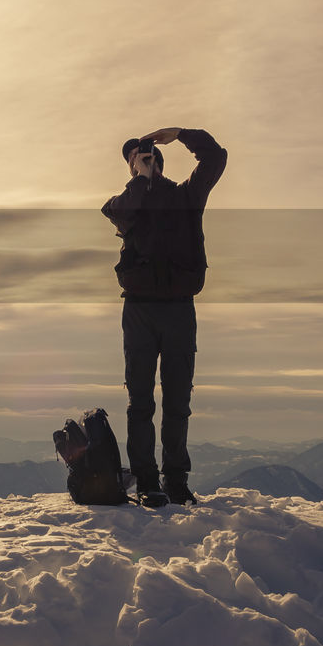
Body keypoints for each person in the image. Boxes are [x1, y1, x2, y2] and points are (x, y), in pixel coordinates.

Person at [101, 128, 227, 507]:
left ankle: (175, 480)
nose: (146, 160)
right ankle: (146, 480)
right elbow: (119, 215)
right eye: (138, 158)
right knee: (140, 399)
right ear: (130, 166)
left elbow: (215, 159)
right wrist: (141, 180)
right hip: (138, 309)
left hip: (178, 309)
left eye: (151, 157)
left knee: (177, 400)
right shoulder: (125, 202)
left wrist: (183, 134)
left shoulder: (186, 197)